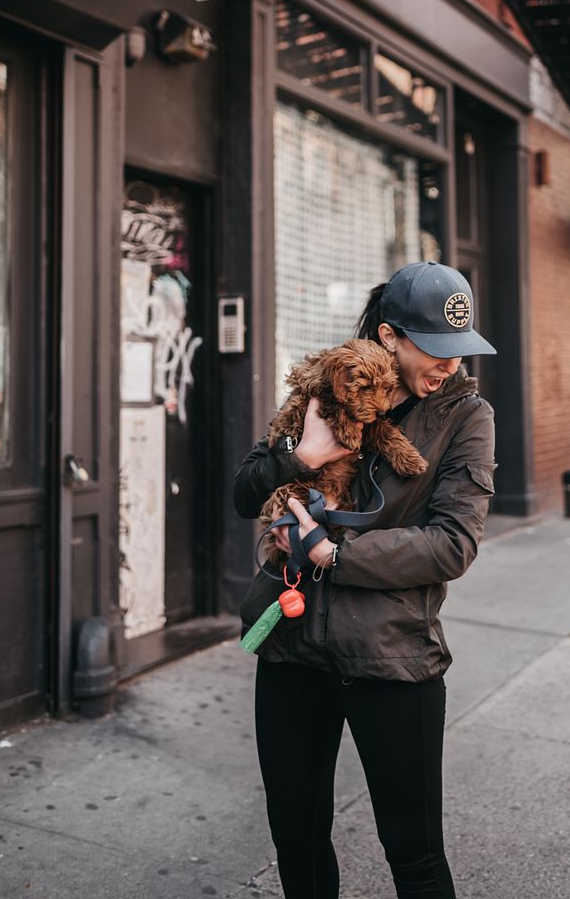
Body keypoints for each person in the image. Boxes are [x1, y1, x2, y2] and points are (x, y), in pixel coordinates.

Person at [233, 261, 497, 899]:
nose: (449, 364)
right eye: (433, 348)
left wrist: (331, 553)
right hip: (292, 650)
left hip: (392, 655)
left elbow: (452, 543)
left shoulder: (466, 417)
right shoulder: (326, 390)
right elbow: (244, 493)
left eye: (459, 349)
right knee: (296, 838)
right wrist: (302, 456)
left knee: (414, 855)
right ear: (388, 337)